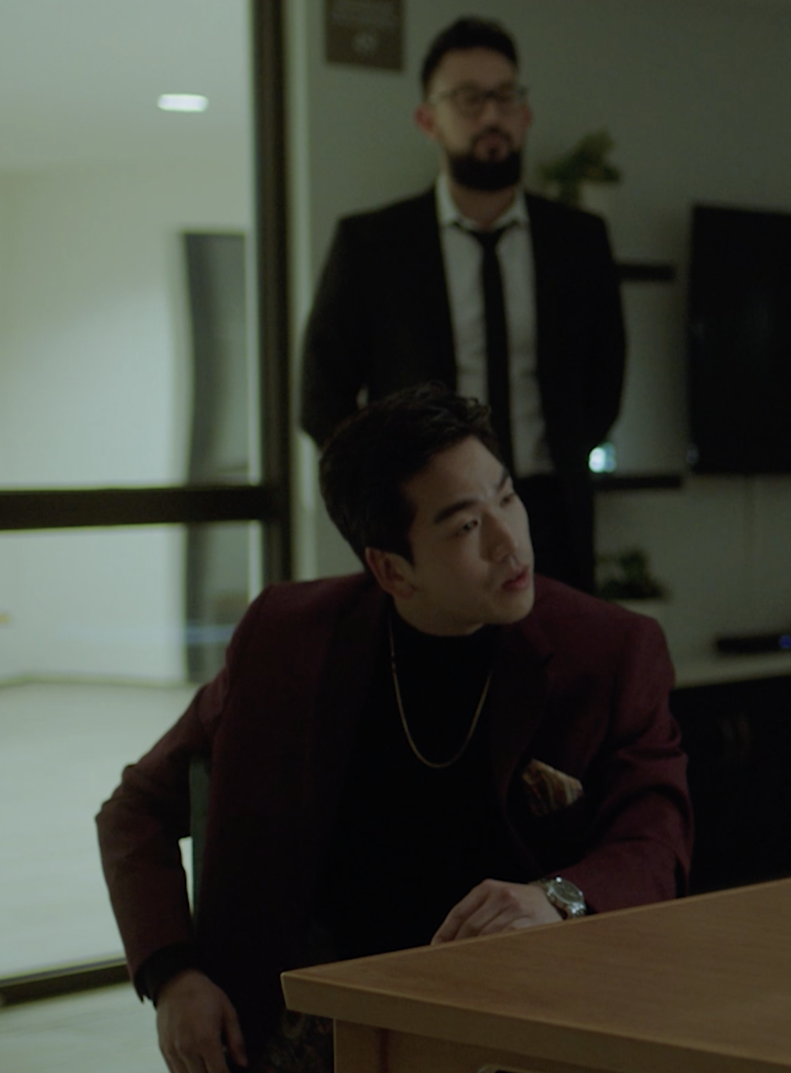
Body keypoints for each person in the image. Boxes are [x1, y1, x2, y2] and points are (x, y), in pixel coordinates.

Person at [98, 385, 689, 1073]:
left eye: (506, 497)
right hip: (312, 1021)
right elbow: (135, 808)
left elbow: (657, 834)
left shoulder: (609, 650)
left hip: (517, 1018)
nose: (509, 541)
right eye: (467, 526)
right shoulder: (287, 639)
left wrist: (555, 898)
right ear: (390, 568)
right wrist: (174, 975)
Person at [299, 16, 624, 594]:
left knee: (564, 673)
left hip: (552, 510)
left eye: (504, 97)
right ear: (429, 119)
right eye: (469, 99)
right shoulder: (372, 244)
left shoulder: (579, 240)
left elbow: (605, 377)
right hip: (431, 520)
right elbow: (320, 396)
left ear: (524, 115)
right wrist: (394, 490)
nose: (491, 116)